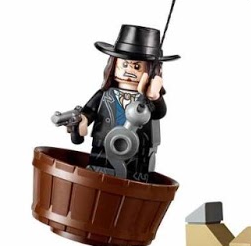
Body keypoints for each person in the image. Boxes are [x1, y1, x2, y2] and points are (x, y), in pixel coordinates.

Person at [68, 24, 177, 182]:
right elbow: (89, 111)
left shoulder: (147, 101)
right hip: (102, 149)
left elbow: (160, 113)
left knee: (132, 181)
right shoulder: (105, 94)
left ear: (151, 70)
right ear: (114, 64)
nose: (129, 70)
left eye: (137, 67)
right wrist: (82, 120)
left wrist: (155, 97)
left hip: (137, 154)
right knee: (99, 176)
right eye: (124, 64)